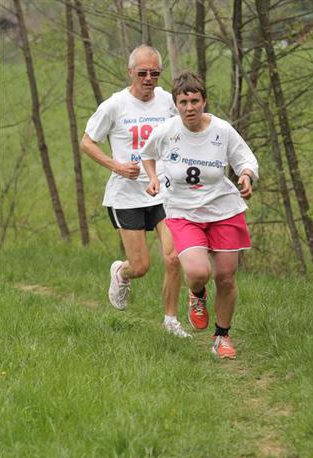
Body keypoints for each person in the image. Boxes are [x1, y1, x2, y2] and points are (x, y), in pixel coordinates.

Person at [140, 70, 258, 359]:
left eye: (194, 101)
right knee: (197, 273)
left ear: (204, 101)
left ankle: (222, 337)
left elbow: (245, 158)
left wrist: (245, 175)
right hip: (183, 211)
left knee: (226, 277)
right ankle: (197, 293)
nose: (189, 107)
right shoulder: (167, 131)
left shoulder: (222, 130)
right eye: (183, 102)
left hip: (223, 209)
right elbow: (147, 154)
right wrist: (153, 178)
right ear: (176, 104)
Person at [80, 45, 190, 338]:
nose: (148, 79)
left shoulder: (168, 101)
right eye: (142, 73)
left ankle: (171, 321)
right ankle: (122, 272)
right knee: (141, 267)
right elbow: (87, 142)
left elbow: (188, 127)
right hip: (127, 194)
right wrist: (116, 166)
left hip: (163, 189)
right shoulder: (115, 105)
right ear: (130, 72)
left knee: (174, 257)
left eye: (155, 73)